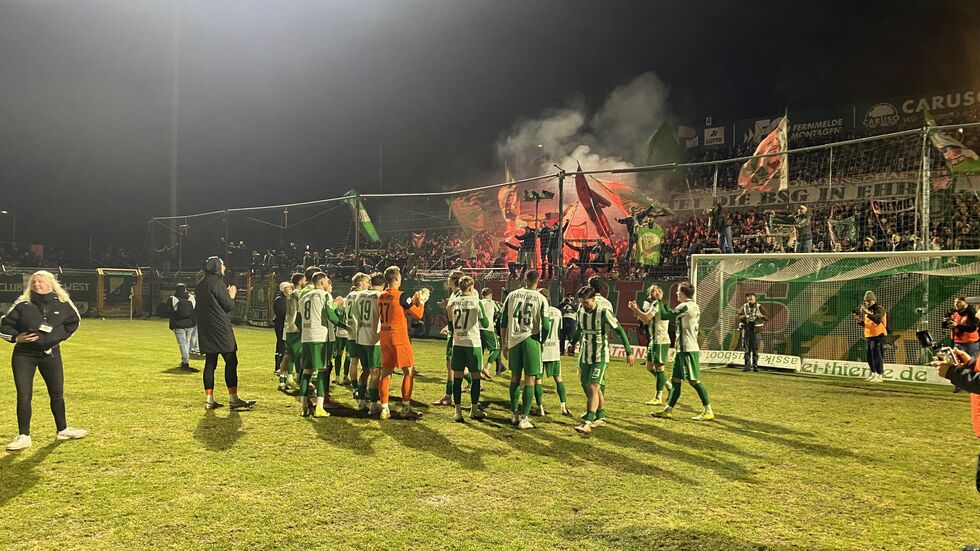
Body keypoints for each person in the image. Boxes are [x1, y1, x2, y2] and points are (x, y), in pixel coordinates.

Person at [1, 270, 87, 451]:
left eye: (40, 282)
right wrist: (17, 338)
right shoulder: (23, 304)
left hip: (51, 354)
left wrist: (56, 338)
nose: (37, 285)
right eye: (34, 282)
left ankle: (62, 429)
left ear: (50, 283)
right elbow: (4, 325)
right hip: (24, 355)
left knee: (57, 393)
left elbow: (74, 321)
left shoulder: (63, 303)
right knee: (24, 394)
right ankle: (24, 436)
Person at [572, 286, 634, 434]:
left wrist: (629, 351)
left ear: (594, 300)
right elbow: (580, 330)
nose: (583, 306)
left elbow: (619, 330)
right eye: (581, 303)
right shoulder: (580, 311)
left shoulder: (604, 312)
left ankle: (588, 422)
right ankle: (600, 416)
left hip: (600, 355)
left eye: (586, 303)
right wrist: (572, 343)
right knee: (588, 385)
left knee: (593, 386)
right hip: (585, 354)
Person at [195, 256, 254, 411]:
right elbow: (228, 306)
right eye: (222, 265)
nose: (225, 268)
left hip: (206, 329)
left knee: (210, 363)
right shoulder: (217, 283)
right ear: (216, 267)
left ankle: (209, 399)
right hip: (221, 329)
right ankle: (233, 399)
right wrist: (232, 295)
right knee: (231, 361)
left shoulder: (200, 284)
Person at [651, 282, 714, 421]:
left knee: (694, 381)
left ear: (683, 293)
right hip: (682, 349)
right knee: (675, 380)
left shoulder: (684, 306)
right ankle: (668, 410)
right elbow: (670, 313)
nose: (676, 293)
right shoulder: (693, 305)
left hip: (688, 349)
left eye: (678, 291)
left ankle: (708, 410)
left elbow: (665, 315)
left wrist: (659, 300)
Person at [501, 270, 551, 429]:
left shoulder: (512, 295)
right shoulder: (541, 298)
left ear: (524, 279)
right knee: (530, 379)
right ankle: (524, 419)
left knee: (514, 378)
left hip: (514, 340)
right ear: (539, 280)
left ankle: (514, 414)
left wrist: (504, 343)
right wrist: (542, 340)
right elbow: (546, 324)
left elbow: (502, 321)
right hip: (531, 340)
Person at [377, 266, 427, 420]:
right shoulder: (401, 295)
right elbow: (418, 314)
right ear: (397, 279)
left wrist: (413, 299)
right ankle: (406, 407)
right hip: (398, 337)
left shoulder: (381, 296)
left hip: (384, 336)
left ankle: (384, 408)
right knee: (408, 371)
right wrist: (422, 302)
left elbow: (399, 308)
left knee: (386, 373)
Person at [298, 272, 347, 418]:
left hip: (306, 337)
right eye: (326, 281)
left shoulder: (303, 296)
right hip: (320, 336)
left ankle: (303, 406)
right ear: (321, 282)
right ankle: (319, 407)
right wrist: (344, 326)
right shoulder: (323, 295)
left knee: (306, 371)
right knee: (322, 370)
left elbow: (296, 320)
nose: (327, 283)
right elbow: (331, 315)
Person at [447, 276, 487, 422]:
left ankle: (457, 412)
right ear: (470, 288)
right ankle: (474, 409)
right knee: (476, 377)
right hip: (473, 343)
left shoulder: (453, 303)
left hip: (458, 343)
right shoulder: (477, 302)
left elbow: (451, 325)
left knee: (457, 378)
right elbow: (485, 321)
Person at [628, 284, 673, 406]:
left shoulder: (658, 304)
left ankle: (658, 397)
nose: (657, 292)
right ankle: (669, 386)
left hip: (660, 339)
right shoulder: (655, 305)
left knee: (659, 368)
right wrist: (636, 310)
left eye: (658, 290)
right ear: (650, 294)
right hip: (654, 339)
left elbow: (647, 319)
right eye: (653, 290)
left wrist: (635, 310)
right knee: (648, 367)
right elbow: (645, 320)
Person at [354, 273, 384, 413]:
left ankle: (360, 402)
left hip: (361, 336)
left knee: (364, 370)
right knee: (375, 372)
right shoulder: (380, 296)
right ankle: (373, 405)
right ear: (382, 284)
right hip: (374, 338)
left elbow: (355, 315)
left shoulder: (359, 295)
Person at [540, 289, 571, 416]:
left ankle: (540, 407)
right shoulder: (557, 312)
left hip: (541, 348)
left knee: (537, 380)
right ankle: (563, 406)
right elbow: (559, 330)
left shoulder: (538, 311)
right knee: (558, 378)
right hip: (554, 349)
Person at [278, 272, 306, 392]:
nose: (306, 282)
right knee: (292, 355)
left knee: (291, 354)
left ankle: (287, 378)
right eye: (304, 280)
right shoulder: (298, 294)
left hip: (288, 326)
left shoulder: (289, 294)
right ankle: (287, 378)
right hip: (295, 327)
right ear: (300, 282)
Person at [852, 290, 886, 383]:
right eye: (866, 301)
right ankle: (874, 373)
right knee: (869, 356)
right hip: (869, 336)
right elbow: (868, 324)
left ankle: (879, 375)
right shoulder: (869, 311)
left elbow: (878, 320)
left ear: (874, 300)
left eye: (869, 301)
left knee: (877, 356)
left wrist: (866, 313)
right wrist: (859, 320)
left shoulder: (879, 309)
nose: (867, 303)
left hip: (878, 335)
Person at [168, 282, 197, 370]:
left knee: (182, 343)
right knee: (187, 342)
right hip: (190, 324)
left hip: (178, 324)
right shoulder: (191, 297)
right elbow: (194, 308)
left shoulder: (173, 298)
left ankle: (186, 361)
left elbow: (170, 310)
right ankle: (185, 360)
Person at [738, 292, 768, 372]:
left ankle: (755, 366)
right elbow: (739, 316)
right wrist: (745, 317)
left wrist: (760, 316)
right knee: (746, 349)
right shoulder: (744, 307)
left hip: (756, 330)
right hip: (746, 329)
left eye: (751, 298)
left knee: (755, 349)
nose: (749, 299)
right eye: (748, 298)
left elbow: (767, 317)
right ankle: (747, 366)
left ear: (755, 298)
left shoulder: (759, 307)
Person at [479, 288, 502, 379]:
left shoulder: (479, 302)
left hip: (477, 330)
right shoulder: (492, 303)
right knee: (496, 348)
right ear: (491, 295)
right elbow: (500, 311)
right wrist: (495, 321)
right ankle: (486, 368)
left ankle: (479, 371)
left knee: (480, 350)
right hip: (488, 329)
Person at [272, 281, 291, 384]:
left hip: (282, 325)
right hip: (280, 325)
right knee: (281, 345)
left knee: (281, 345)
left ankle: (280, 367)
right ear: (284, 289)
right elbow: (283, 313)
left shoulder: (282, 298)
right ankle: (278, 367)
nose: (290, 289)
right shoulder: (280, 299)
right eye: (289, 288)